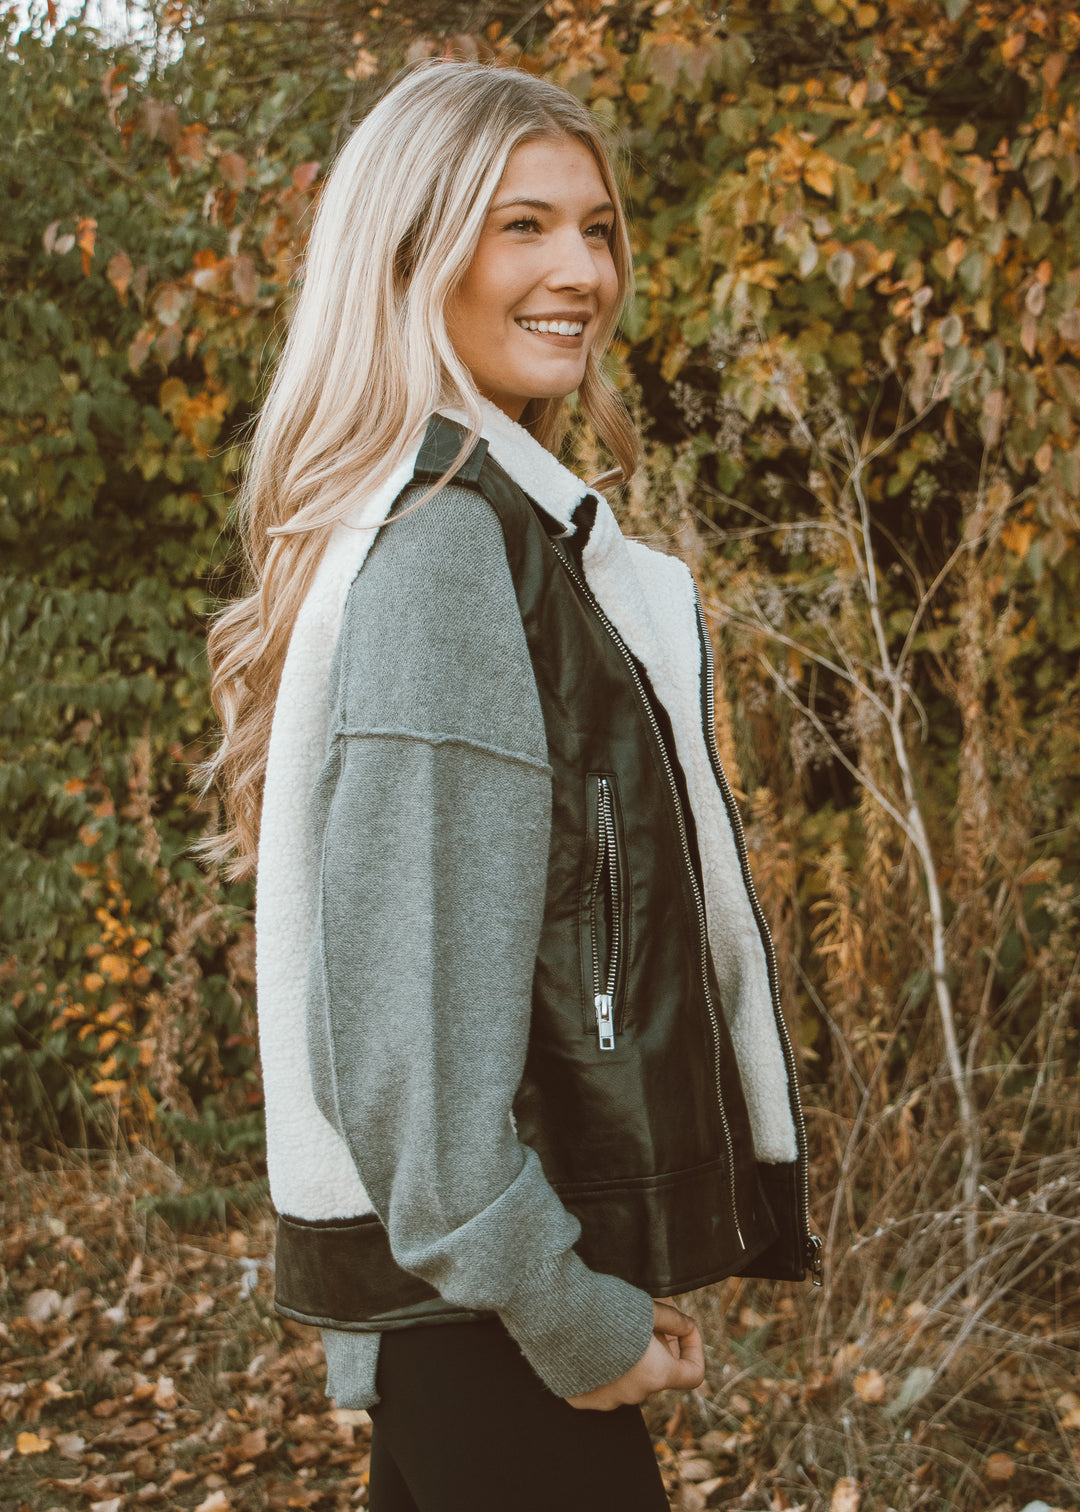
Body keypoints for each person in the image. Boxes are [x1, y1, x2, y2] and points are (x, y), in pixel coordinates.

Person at [200, 58, 820, 1512]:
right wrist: (564, 1307)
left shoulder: (479, 533)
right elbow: (412, 1041)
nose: (580, 271)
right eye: (520, 225)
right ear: (411, 257)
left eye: (597, 228)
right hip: (487, 1307)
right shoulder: (449, 558)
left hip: (467, 1304)